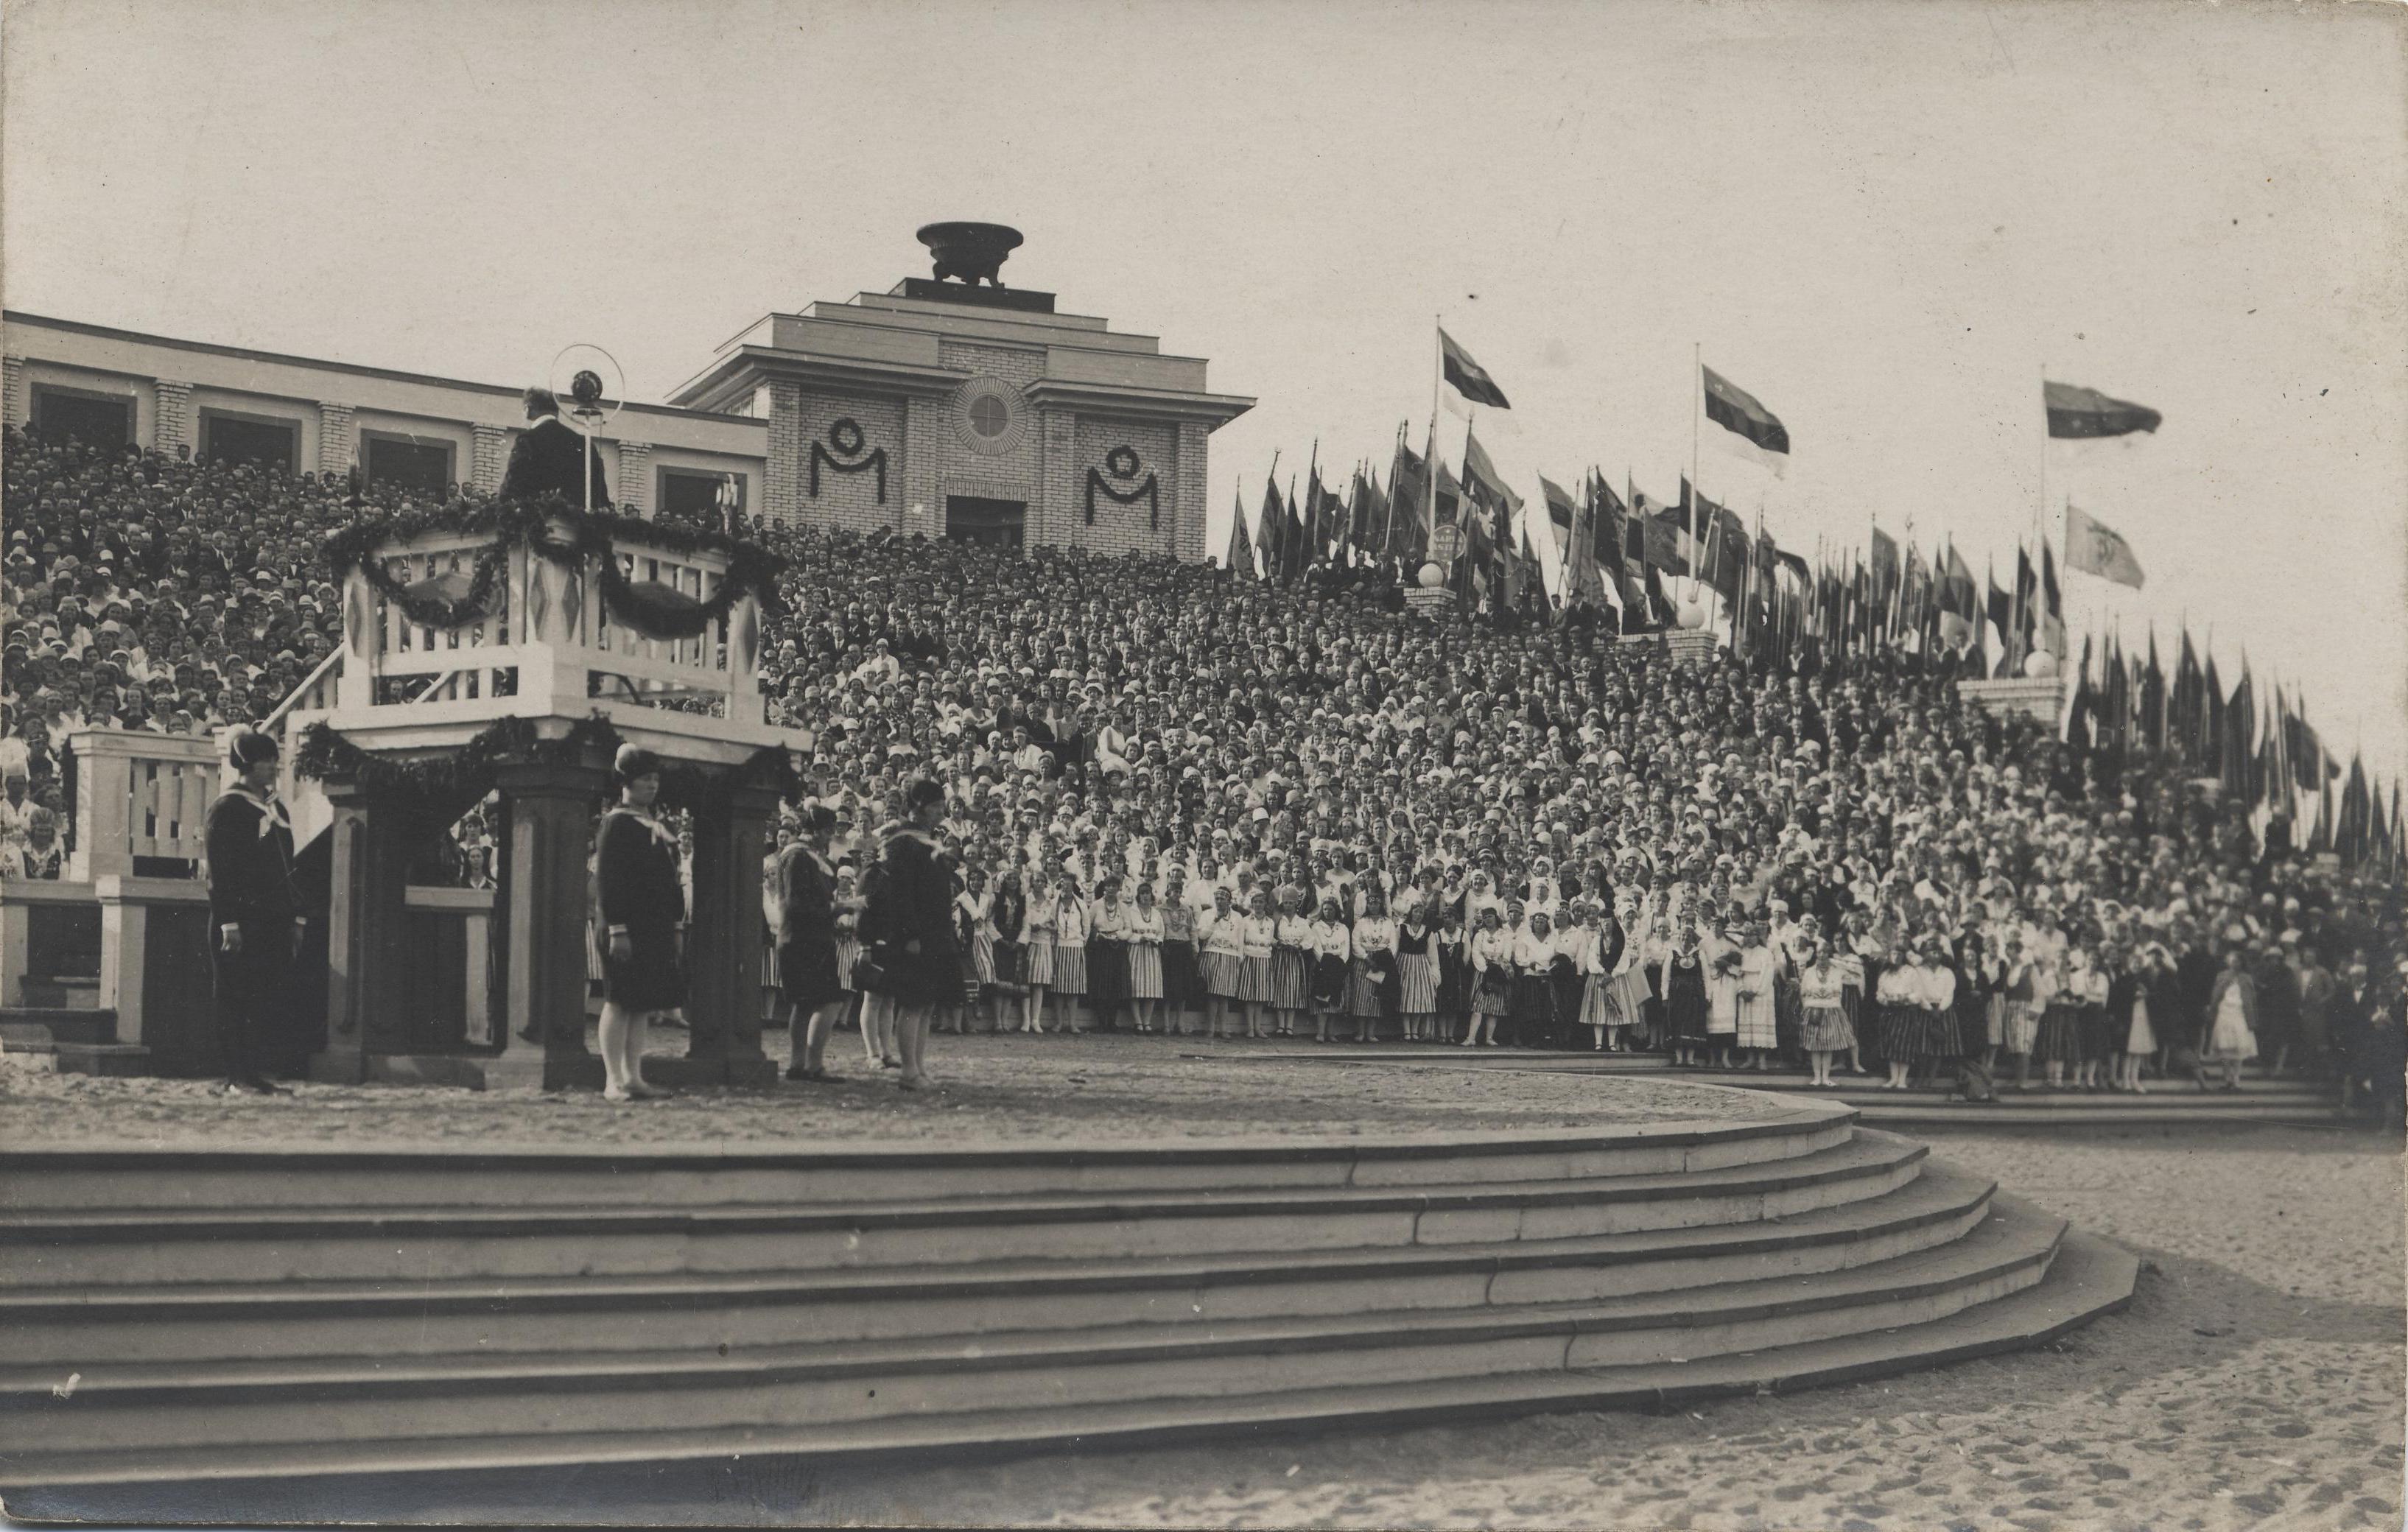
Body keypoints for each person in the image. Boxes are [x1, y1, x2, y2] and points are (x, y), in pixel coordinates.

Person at [203, 725, 301, 1096]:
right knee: (234, 997)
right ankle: (235, 1076)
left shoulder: (277, 809)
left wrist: (295, 917)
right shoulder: (227, 808)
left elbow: (289, 866)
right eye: (263, 760)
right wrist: (229, 921)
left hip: (272, 919)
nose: (271, 766)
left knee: (262, 997)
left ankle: (253, 1073)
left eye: (273, 759)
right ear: (245, 765)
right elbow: (220, 870)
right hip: (239, 921)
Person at [594, 745, 684, 1103]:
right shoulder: (617, 824)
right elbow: (609, 881)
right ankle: (612, 1079)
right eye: (645, 779)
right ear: (627, 782)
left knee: (640, 1003)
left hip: (651, 927)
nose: (652, 785)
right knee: (618, 1001)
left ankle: (634, 1076)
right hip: (624, 928)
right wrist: (617, 928)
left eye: (655, 780)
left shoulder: (653, 825)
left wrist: (673, 924)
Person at [862, 776, 958, 1091]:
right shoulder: (903, 843)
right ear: (917, 809)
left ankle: (918, 1068)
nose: (941, 813)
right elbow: (900, 896)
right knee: (913, 1004)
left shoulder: (925, 841)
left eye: (942, 807)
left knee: (926, 1004)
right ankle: (908, 1072)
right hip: (917, 937)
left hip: (936, 934)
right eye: (935, 807)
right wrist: (911, 935)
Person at [774, 803, 846, 1083]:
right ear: (817, 832)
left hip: (799, 937)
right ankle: (813, 1064)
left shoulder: (801, 856)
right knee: (829, 1001)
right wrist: (838, 908)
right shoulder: (800, 857)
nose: (830, 838)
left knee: (804, 1004)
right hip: (807, 938)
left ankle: (798, 1064)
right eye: (828, 832)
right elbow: (798, 904)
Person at [499, 386, 611, 509]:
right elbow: (600, 496)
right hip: (578, 523)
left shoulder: (528, 440)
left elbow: (513, 487)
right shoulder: (584, 444)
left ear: (527, 410)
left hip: (537, 521)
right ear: (557, 411)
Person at [2200, 946, 2259, 1092]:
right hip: (2224, 1013)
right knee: (2224, 1047)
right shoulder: (2222, 976)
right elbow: (2216, 995)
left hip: (2240, 1014)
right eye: (2232, 961)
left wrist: (2251, 1016)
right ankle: (2227, 1078)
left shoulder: (2246, 978)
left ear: (2242, 963)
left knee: (2239, 1047)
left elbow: (2251, 999)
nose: (2235, 964)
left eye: (2237, 961)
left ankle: (2236, 1078)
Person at [1124, 880, 1166, 1033]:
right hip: (1136, 951)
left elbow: (1161, 933)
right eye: (1142, 893)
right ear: (1138, 896)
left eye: (1148, 893)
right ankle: (1138, 1022)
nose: (1145, 897)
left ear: (1152, 896)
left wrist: (1158, 941)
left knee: (1152, 987)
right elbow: (1127, 932)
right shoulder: (1131, 912)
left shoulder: (1156, 914)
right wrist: (1138, 939)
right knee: (1136, 986)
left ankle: (1147, 1022)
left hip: (1152, 952)